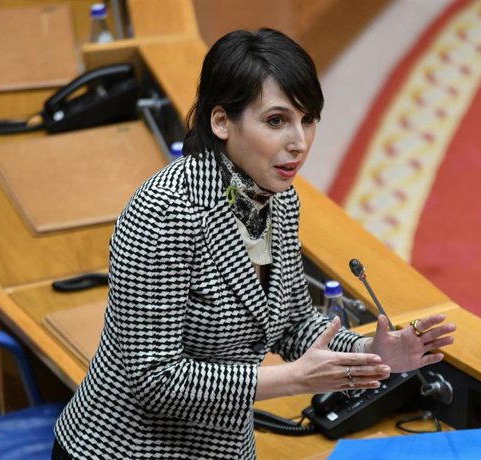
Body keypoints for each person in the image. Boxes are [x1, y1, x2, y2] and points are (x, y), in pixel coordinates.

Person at [52, 28, 455, 459]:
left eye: (308, 119)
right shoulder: (165, 211)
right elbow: (156, 380)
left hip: (223, 449)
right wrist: (292, 380)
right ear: (221, 121)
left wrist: (369, 353)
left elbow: (294, 322)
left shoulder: (278, 200)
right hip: (126, 449)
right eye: (276, 121)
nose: (299, 143)